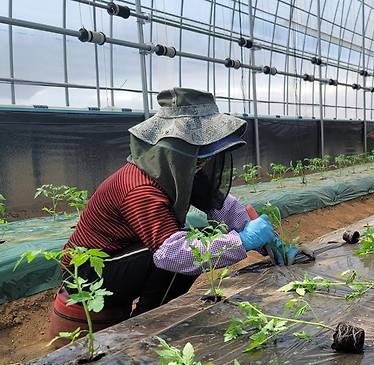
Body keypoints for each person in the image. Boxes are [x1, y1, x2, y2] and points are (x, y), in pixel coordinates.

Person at [49, 87, 287, 340]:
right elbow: (171, 253)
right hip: (87, 272)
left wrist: (264, 239)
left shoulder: (175, 172)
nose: (203, 162)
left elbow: (218, 203)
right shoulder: (140, 187)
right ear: (173, 147)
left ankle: (153, 314)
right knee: (185, 251)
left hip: (122, 259)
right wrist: (242, 241)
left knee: (193, 244)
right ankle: (148, 325)